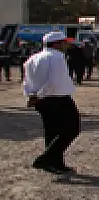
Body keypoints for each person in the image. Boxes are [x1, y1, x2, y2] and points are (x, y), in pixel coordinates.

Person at [23, 31, 81, 173]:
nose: (66, 45)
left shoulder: (32, 58)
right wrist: (41, 94)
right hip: (57, 97)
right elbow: (53, 81)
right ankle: (46, 159)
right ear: (56, 44)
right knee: (72, 128)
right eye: (64, 42)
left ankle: (55, 164)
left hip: (41, 100)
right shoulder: (57, 57)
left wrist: (32, 96)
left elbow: (27, 81)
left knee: (52, 131)